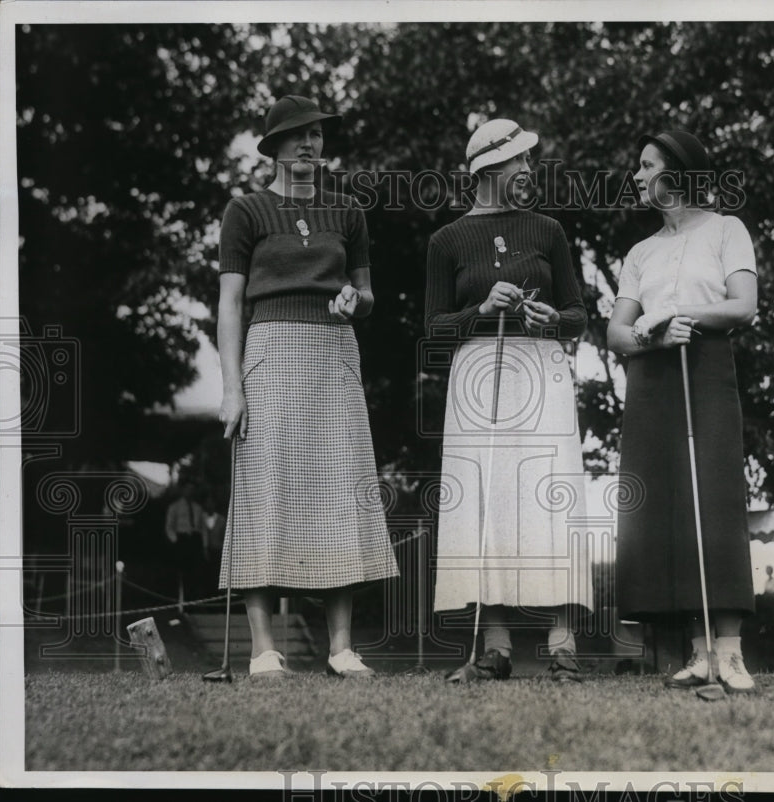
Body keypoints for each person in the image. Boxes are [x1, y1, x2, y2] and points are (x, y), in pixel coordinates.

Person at [217, 94, 398, 680]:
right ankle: (262, 649)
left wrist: (356, 300)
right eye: (297, 135)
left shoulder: (347, 212)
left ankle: (341, 647)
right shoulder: (245, 211)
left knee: (338, 495)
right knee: (266, 491)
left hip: (333, 354)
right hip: (269, 353)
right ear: (272, 146)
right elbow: (229, 305)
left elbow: (366, 295)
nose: (309, 144)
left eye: (317, 134)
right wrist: (231, 387)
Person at [425, 118, 593, 683]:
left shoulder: (547, 230)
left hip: (540, 373)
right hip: (477, 375)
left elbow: (578, 314)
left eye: (528, 161)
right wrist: (479, 310)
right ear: (487, 171)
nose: (528, 171)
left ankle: (562, 642)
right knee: (486, 499)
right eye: (518, 162)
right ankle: (493, 646)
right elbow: (434, 330)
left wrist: (554, 319)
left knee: (550, 496)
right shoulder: (446, 240)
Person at [608, 130, 758, 694]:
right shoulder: (640, 252)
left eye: (647, 166)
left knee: (713, 496)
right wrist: (651, 335)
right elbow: (617, 332)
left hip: (706, 368)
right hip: (653, 378)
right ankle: (697, 652)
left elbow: (744, 306)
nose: (638, 175)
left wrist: (675, 314)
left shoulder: (726, 229)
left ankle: (731, 653)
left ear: (676, 173)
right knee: (669, 503)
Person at [164, 483, 207, 602]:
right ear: (182, 490)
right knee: (181, 573)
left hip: (195, 540)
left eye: (192, 489)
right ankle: (179, 601)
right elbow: (169, 526)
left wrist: (204, 546)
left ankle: (192, 601)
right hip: (182, 540)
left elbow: (203, 528)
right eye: (188, 489)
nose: (190, 492)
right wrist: (176, 540)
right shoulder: (175, 507)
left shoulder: (198, 508)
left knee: (194, 573)